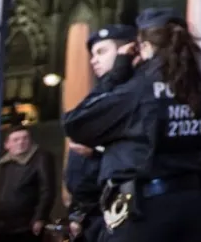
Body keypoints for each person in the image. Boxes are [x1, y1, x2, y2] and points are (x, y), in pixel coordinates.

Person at [62, 9, 201, 242]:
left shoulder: (140, 91)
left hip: (143, 211)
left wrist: (118, 71)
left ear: (144, 47)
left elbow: (76, 122)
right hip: (193, 206)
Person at [66, 23, 138, 241]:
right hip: (89, 214)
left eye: (102, 51)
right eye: (92, 54)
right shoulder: (103, 91)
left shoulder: (132, 92)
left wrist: (96, 152)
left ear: (127, 50)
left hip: (120, 207)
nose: (93, 60)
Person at [0, 127, 56, 242]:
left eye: (25, 138)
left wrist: (40, 217)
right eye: (16, 140)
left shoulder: (40, 158)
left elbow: (47, 191)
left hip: (24, 225)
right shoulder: (1, 164)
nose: (21, 142)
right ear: (7, 145)